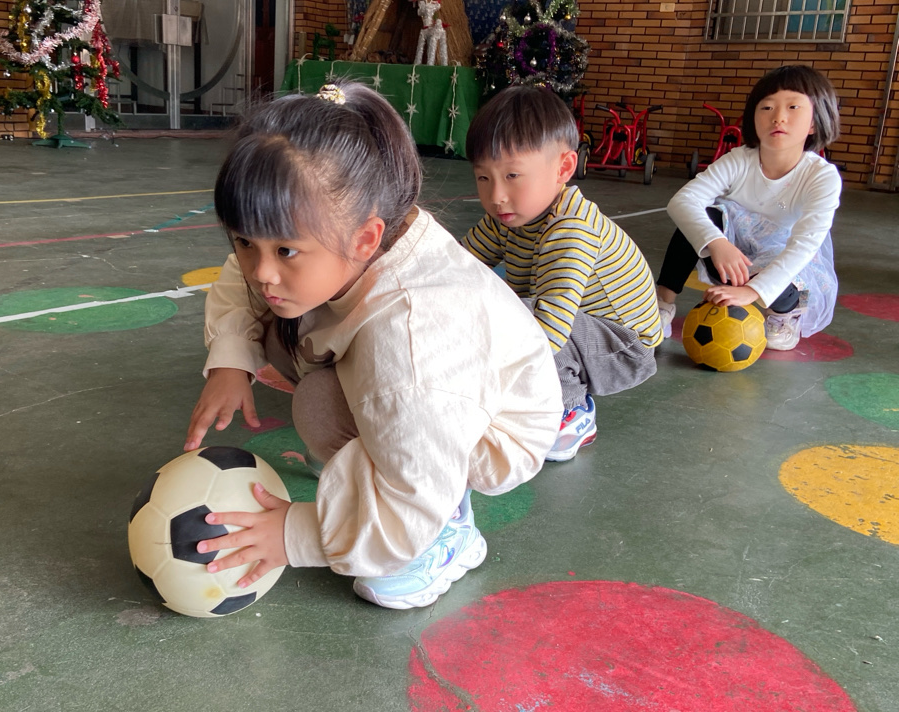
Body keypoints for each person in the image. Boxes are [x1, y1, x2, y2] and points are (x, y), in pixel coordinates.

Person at [183, 81, 563, 610]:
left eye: (285, 250)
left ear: (366, 239)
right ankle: (379, 458)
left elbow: (413, 492)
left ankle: (447, 531)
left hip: (491, 428)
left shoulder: (413, 340)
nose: (261, 270)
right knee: (286, 335)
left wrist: (294, 533)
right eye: (246, 241)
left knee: (324, 408)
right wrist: (232, 360)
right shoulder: (339, 234)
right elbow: (238, 274)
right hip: (418, 389)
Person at [461, 85, 663, 462]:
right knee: (500, 306)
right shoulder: (509, 216)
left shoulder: (570, 229)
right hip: (579, 327)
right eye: (483, 178)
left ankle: (571, 411)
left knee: (524, 319)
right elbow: (459, 266)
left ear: (564, 169)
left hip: (625, 348)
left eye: (512, 175)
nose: (496, 196)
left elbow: (550, 329)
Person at [654, 65, 842, 351]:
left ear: (815, 123)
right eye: (766, 107)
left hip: (788, 265)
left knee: (798, 282)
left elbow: (804, 245)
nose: (778, 117)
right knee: (700, 217)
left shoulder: (822, 176)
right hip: (734, 260)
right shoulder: (739, 160)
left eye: (793, 107)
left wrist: (752, 291)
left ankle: (785, 315)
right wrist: (717, 242)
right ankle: (663, 304)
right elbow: (683, 201)